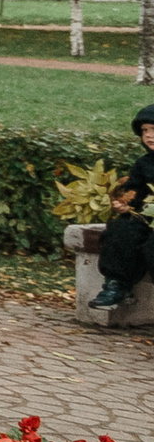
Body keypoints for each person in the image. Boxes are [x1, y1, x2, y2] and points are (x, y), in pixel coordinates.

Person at [92, 105, 154, 309]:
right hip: (148, 217)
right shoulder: (144, 163)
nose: (149, 136)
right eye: (145, 130)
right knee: (122, 229)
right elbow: (135, 191)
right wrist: (126, 205)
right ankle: (116, 285)